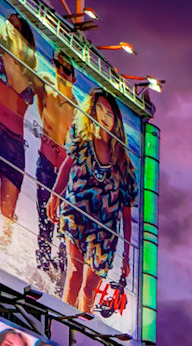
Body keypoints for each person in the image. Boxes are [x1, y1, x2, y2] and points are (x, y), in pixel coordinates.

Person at [50, 88, 138, 316]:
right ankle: (65, 320)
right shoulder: (83, 143)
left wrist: (127, 254)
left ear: (116, 120)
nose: (104, 116)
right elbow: (66, 167)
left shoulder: (124, 166)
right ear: (92, 111)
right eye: (99, 109)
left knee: (90, 288)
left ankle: (78, 331)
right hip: (77, 216)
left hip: (105, 234)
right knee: (75, 273)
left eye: (109, 113)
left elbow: (126, 216)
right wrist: (54, 196)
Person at [0, 13, 39, 250]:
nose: (9, 29)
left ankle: (1, 253)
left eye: (15, 27)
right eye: (8, 24)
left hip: (14, 144)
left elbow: (18, 84)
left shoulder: (33, 77)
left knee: (8, 212)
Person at [33, 50, 79, 277]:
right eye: (57, 65)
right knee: (44, 220)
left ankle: (61, 269)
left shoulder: (79, 110)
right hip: (45, 162)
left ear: (74, 78)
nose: (60, 71)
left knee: (61, 225)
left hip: (64, 174)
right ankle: (42, 266)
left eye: (66, 69)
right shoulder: (45, 86)